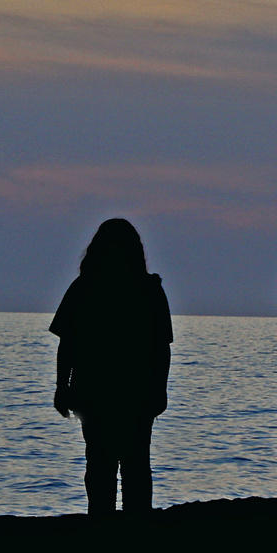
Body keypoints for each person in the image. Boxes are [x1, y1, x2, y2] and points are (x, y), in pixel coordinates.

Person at [51, 218, 172, 516]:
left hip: (94, 389)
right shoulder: (149, 289)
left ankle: (101, 521)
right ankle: (135, 522)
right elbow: (161, 350)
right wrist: (159, 389)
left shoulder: (84, 287)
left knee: (99, 464)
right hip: (136, 391)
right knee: (136, 464)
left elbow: (67, 345)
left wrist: (61, 387)